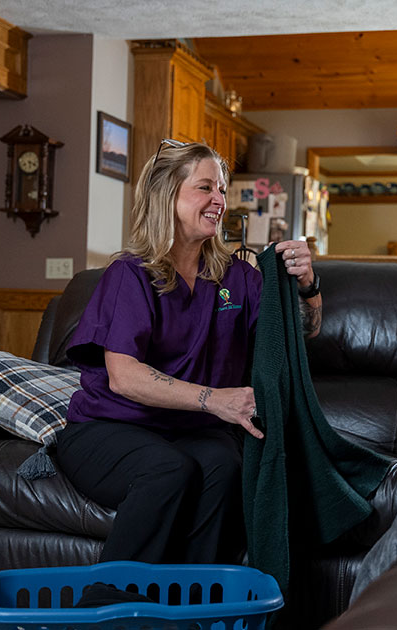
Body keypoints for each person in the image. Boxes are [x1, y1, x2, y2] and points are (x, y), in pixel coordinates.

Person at [55, 140, 322, 567]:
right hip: (109, 428)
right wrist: (216, 400)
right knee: (169, 469)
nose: (219, 200)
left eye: (221, 189)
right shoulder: (130, 274)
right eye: (205, 188)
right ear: (168, 197)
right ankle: (108, 603)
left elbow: (300, 331)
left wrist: (307, 285)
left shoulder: (236, 275)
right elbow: (123, 376)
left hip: (192, 432)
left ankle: (193, 604)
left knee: (225, 467)